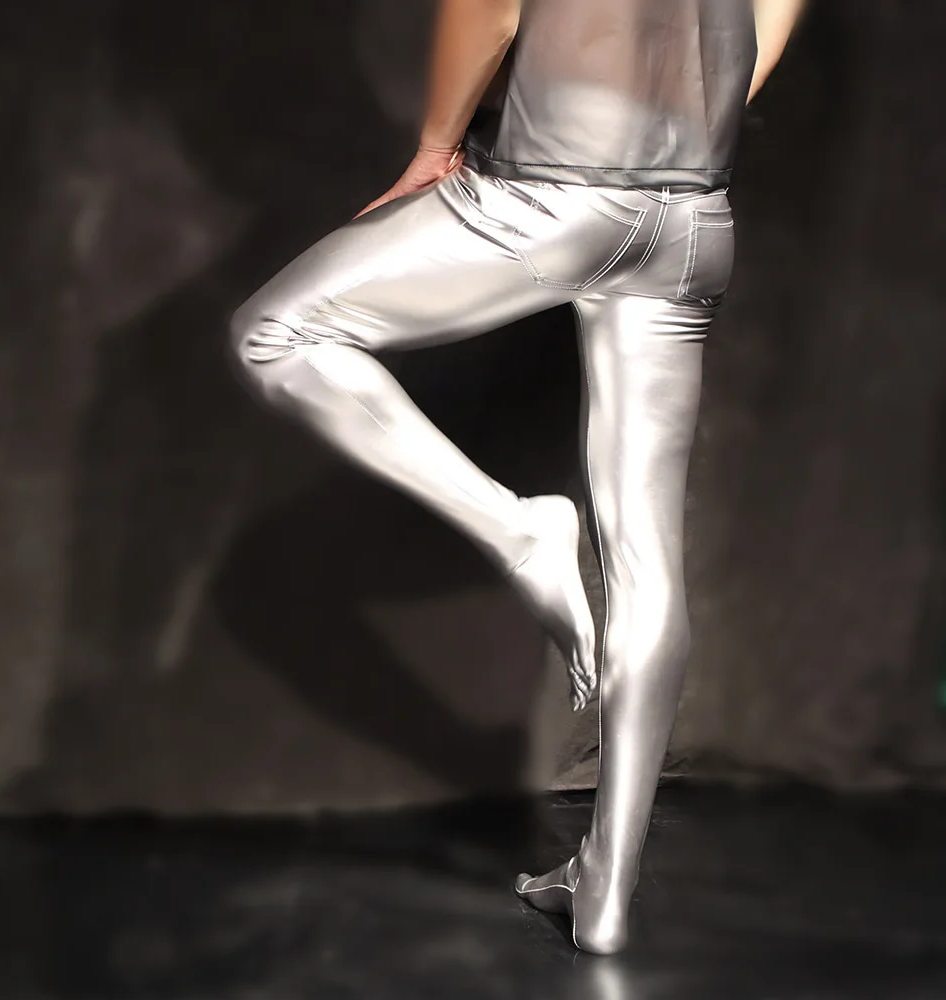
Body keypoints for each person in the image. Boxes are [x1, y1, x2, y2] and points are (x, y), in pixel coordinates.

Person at [230, 0, 805, 955]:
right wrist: (679, 122)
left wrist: (433, 148)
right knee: (647, 559)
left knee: (276, 334)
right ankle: (605, 894)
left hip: (552, 196)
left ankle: (519, 530)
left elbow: (493, 8)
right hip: (691, 215)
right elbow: (767, 24)